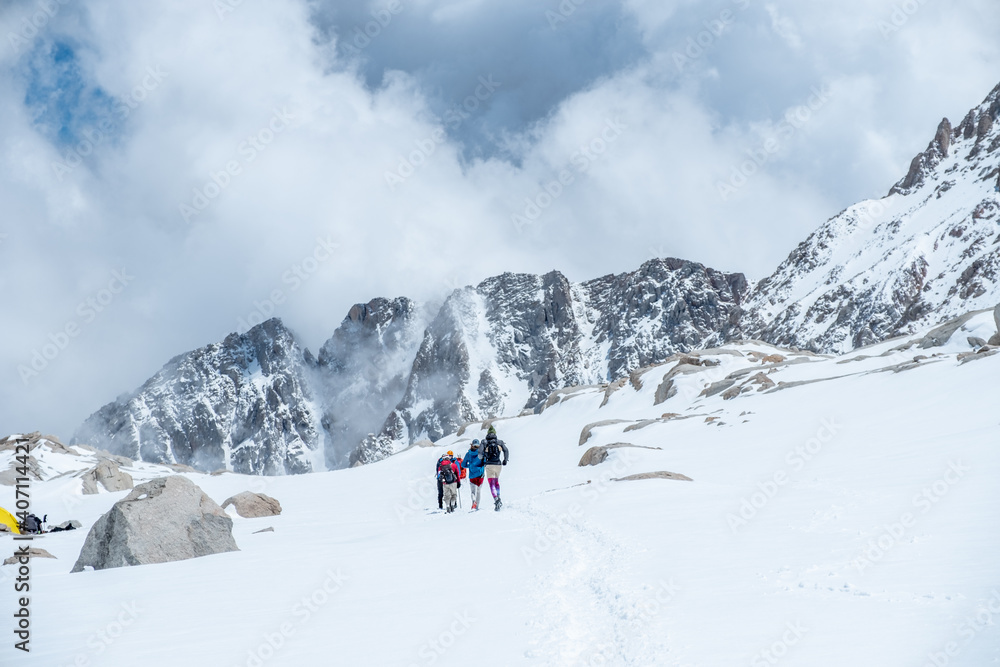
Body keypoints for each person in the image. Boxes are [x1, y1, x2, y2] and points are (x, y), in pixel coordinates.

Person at [480, 425, 509, 511]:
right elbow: (506, 450)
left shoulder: (484, 442)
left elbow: (480, 454)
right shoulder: (499, 442)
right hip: (498, 465)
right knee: (496, 482)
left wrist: (482, 458)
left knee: (491, 484)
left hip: (489, 465)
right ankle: (499, 497)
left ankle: (496, 500)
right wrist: (505, 460)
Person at [461, 440, 486, 510]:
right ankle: (477, 507)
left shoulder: (468, 454)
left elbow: (463, 464)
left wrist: (470, 466)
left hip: (472, 475)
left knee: (472, 491)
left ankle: (473, 501)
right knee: (479, 491)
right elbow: (485, 462)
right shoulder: (481, 453)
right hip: (480, 474)